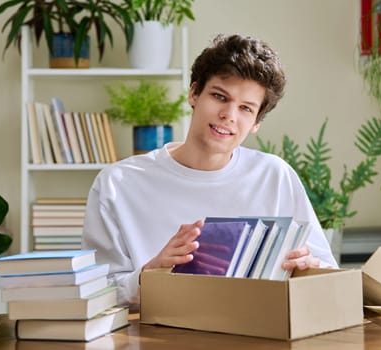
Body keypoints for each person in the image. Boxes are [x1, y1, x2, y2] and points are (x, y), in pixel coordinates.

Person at [82, 33, 338, 308]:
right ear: (194, 93)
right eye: (219, 96)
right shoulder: (117, 183)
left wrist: (310, 269)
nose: (229, 115)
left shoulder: (275, 176)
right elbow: (95, 293)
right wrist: (149, 276)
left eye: (245, 108)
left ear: (255, 123)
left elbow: (330, 275)